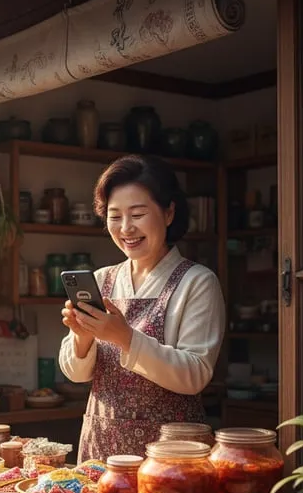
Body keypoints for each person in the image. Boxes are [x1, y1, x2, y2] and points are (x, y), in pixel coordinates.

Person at [59, 154, 225, 462]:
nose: (126, 228)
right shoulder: (102, 279)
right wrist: (82, 338)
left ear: (169, 212)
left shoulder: (197, 282)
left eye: (137, 214)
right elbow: (76, 373)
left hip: (172, 454)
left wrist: (124, 337)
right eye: (114, 215)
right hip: (102, 445)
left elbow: (195, 375)